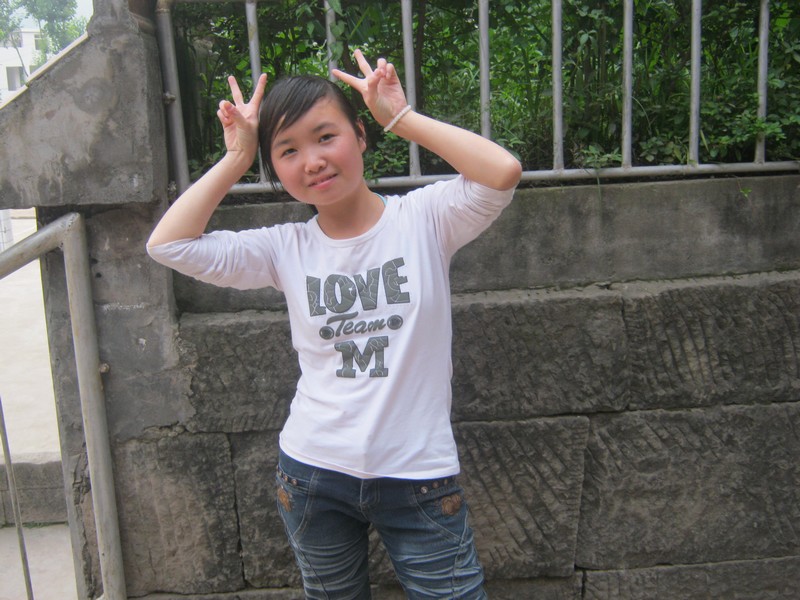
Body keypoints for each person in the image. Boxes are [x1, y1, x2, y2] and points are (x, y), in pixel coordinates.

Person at [147, 49, 522, 599]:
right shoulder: (284, 248)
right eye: (288, 150)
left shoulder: (425, 218)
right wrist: (237, 156)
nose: (313, 161)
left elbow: (503, 172)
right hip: (312, 475)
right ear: (276, 169)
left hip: (418, 477)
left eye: (326, 137)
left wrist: (401, 117)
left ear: (360, 136)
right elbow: (168, 244)